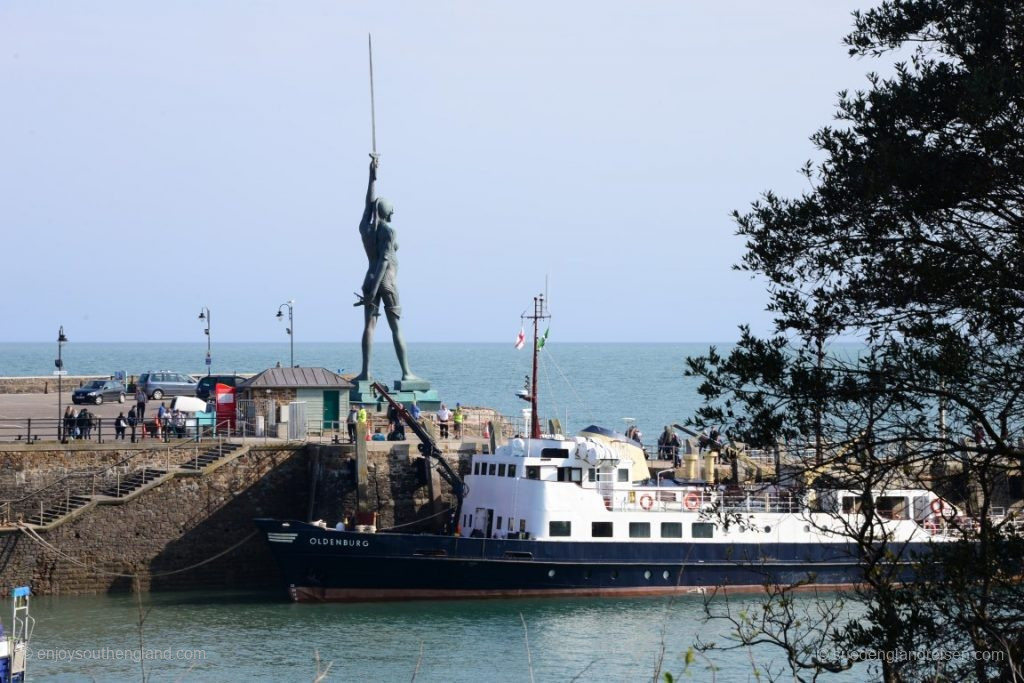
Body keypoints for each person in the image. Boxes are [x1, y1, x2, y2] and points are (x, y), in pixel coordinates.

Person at [353, 156, 421, 383]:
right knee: (395, 327)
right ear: (388, 212)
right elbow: (384, 260)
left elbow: (367, 203)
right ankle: (406, 372)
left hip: (369, 277)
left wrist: (372, 176)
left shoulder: (366, 228)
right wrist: (375, 289)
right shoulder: (389, 232)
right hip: (386, 281)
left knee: (369, 327)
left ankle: (366, 372)